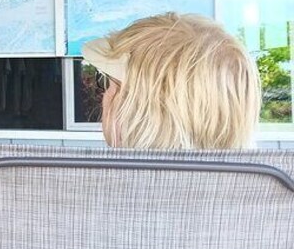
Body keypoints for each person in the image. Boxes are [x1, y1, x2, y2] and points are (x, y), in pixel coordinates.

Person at [82, 12, 260, 149]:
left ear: (135, 112)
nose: (104, 95)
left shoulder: (96, 192)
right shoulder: (265, 186)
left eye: (106, 83)